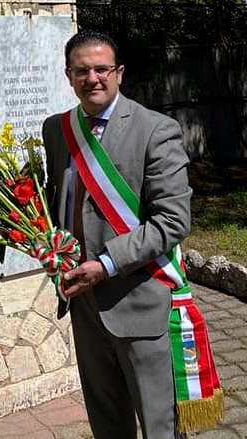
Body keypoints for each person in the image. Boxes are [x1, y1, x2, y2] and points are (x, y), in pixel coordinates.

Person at [42, 30, 192, 439]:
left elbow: (173, 220)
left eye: (102, 69)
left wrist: (105, 264)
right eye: (82, 70)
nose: (93, 78)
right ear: (69, 76)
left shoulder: (156, 130)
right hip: (83, 303)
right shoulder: (56, 131)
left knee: (159, 424)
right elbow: (57, 200)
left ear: (119, 73)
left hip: (138, 299)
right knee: (106, 420)